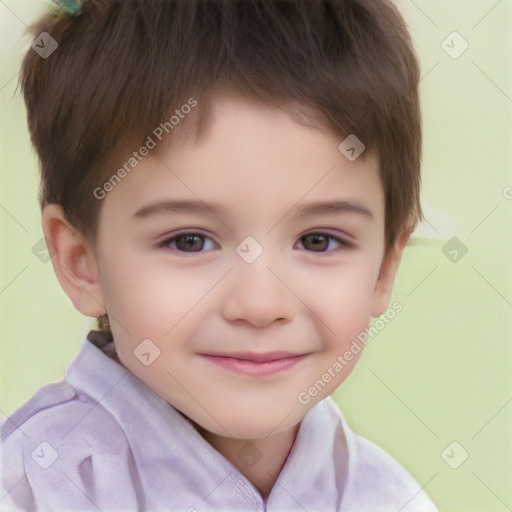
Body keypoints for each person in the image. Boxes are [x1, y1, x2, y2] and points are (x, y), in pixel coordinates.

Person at [1, 0, 438, 510]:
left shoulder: (385, 497)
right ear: (82, 261)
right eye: (190, 241)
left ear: (384, 266)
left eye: (319, 241)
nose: (259, 304)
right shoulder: (36, 484)